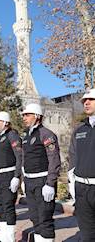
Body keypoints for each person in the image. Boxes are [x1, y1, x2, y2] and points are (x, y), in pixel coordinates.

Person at [21, 103, 61, 242]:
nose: (24, 117)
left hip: (42, 181)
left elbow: (54, 159)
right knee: (34, 217)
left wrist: (50, 183)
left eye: (27, 115)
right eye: (23, 115)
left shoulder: (47, 134)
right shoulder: (26, 135)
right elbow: (25, 158)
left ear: (37, 116)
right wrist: (23, 178)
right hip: (30, 181)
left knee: (45, 219)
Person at [0, 112, 22, 242]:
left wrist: (16, 176)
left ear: (5, 123)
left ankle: (10, 236)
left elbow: (19, 157)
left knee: (8, 205)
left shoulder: (12, 135)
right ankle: (3, 233)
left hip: (8, 175)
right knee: (0, 204)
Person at [68, 89, 95, 242]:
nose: (86, 102)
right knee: (87, 234)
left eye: (91, 99)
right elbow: (72, 156)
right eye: (84, 100)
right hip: (82, 190)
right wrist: (72, 182)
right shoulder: (79, 130)